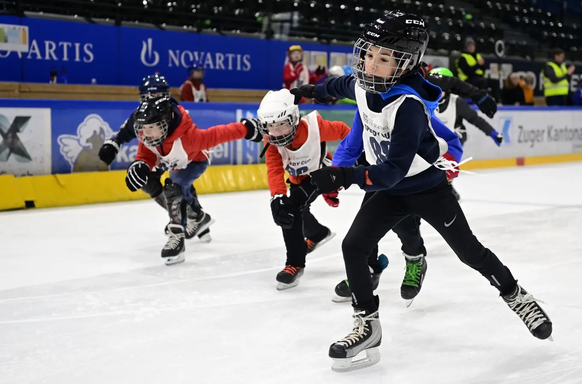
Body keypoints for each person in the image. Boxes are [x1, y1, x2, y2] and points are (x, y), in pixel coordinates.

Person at [291, 11, 552, 372]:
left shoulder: (408, 106)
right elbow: (336, 88)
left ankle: (516, 295)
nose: (370, 63)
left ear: (406, 64)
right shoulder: (362, 84)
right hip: (390, 190)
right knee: (353, 245)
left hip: (426, 188)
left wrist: (342, 176)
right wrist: (305, 93)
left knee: (470, 252)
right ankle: (368, 324)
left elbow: (392, 171)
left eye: (383, 58)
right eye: (368, 54)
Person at [125, 96, 263, 265]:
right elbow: (145, 155)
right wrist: (139, 165)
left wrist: (246, 128)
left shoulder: (189, 138)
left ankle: (177, 236)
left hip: (195, 162)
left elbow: (219, 134)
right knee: (150, 183)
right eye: (143, 128)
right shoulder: (148, 137)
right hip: (174, 164)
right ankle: (198, 217)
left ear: (166, 122)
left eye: (151, 127)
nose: (146, 134)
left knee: (174, 190)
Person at [98, 74, 212, 242]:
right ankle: (188, 218)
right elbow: (126, 131)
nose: (149, 102)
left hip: (176, 155)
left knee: (179, 180)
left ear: (166, 97)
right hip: (157, 157)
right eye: (145, 97)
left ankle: (193, 218)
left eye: (156, 96)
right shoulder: (140, 115)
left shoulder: (175, 114)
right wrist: (113, 144)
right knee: (146, 179)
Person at [259, 88, 349, 289]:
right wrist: (277, 197)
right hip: (298, 179)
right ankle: (317, 234)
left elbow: (344, 130)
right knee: (288, 208)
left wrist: (346, 164)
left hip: (322, 173)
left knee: (293, 209)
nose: (276, 132)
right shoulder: (271, 140)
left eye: (281, 125)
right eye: (270, 127)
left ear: (293, 118)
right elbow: (274, 169)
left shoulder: (316, 127)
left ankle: (294, 263)